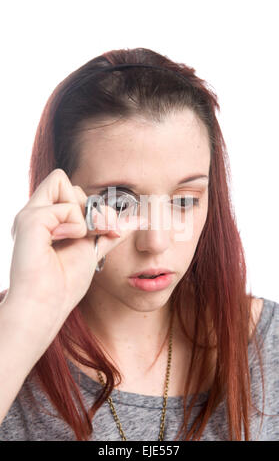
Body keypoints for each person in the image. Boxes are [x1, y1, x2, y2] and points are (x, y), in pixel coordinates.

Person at [0, 47, 278, 442]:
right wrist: (29, 314)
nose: (157, 242)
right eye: (119, 202)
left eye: (184, 201)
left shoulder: (270, 345)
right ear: (61, 194)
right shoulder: (10, 339)